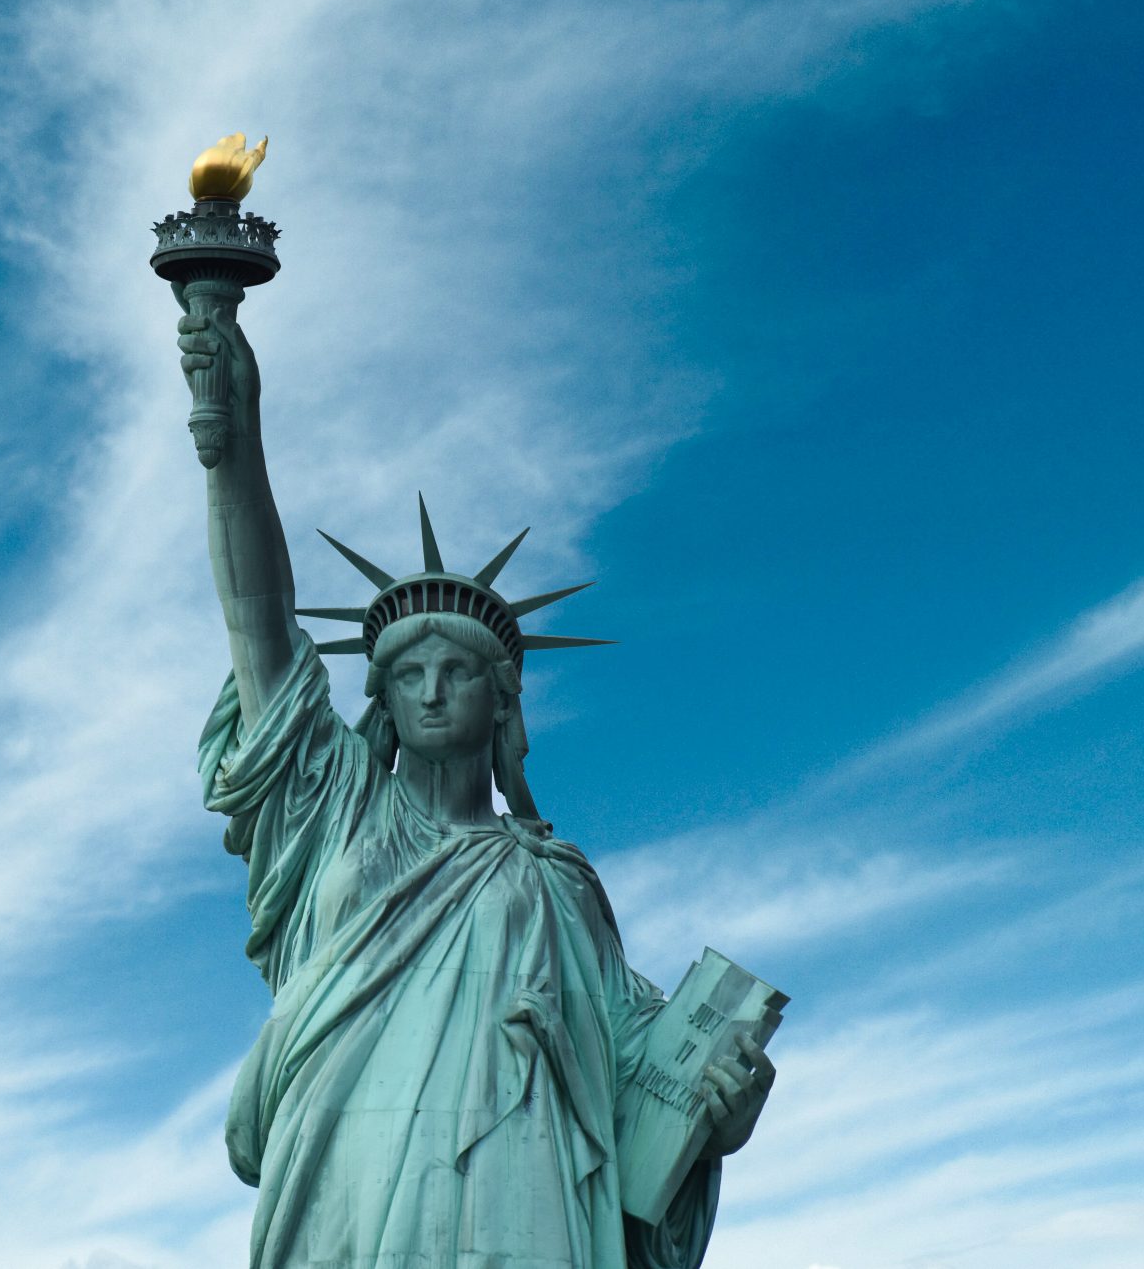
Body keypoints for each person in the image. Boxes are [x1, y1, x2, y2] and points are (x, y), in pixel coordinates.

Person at [178, 304, 772, 1269]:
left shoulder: (557, 886)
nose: (432, 688)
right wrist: (233, 448)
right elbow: (259, 625)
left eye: (459, 671)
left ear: (503, 707)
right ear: (385, 697)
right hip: (348, 1178)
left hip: (520, 1198)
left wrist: (718, 1110)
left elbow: (632, 1076)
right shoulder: (334, 813)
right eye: (409, 673)